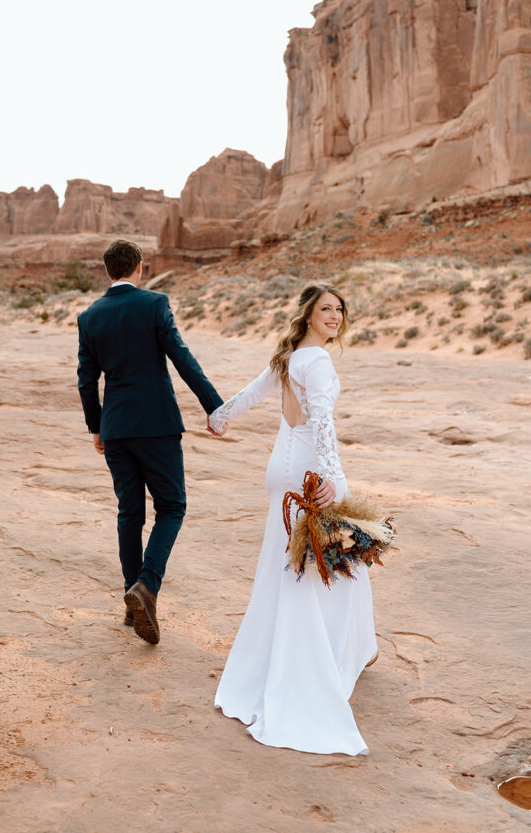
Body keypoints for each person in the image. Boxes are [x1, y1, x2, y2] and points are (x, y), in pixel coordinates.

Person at [208, 282, 377, 755]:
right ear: (307, 314)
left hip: (280, 471)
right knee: (336, 565)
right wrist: (332, 481)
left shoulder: (289, 357)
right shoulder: (316, 361)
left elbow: (251, 393)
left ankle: (278, 663)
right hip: (307, 473)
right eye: (326, 309)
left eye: (340, 309)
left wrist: (220, 416)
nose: (335, 316)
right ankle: (323, 661)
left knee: (285, 567)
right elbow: (322, 421)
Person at [77, 239, 223, 646]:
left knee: (130, 513)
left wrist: (97, 428)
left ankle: (131, 601)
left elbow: (86, 380)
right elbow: (181, 356)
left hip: (117, 428)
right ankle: (147, 586)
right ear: (140, 267)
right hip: (157, 424)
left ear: (108, 270)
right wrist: (214, 406)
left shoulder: (89, 317)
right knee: (172, 506)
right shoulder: (155, 303)